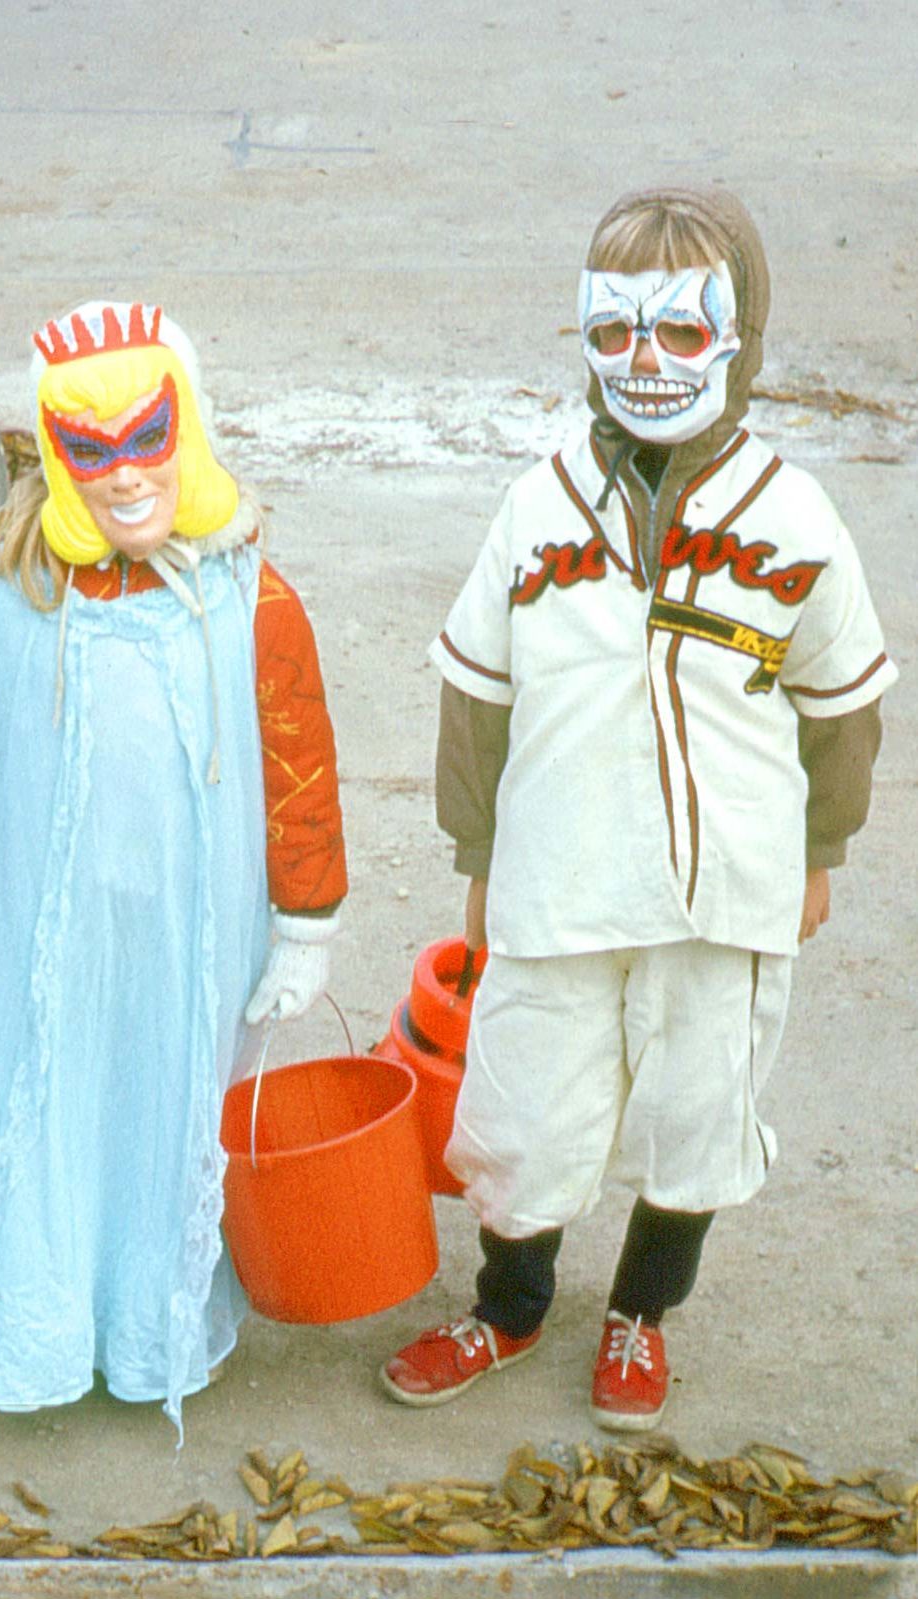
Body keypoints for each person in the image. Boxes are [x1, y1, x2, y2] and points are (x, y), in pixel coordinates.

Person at [378, 186, 896, 1432]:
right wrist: (481, 854)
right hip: (559, 875)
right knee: (525, 1110)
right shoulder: (538, 501)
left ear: (742, 336)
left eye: (679, 330)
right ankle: (509, 1306)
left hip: (729, 888)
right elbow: (476, 697)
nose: (646, 362)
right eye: (615, 333)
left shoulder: (793, 515)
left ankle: (641, 1314)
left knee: (697, 1112)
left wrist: (820, 850)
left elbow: (842, 706)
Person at [0, 301, 347, 1448]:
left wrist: (305, 920)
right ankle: (33, 1332)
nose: (122, 477)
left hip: (189, 934)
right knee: (38, 1110)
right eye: (88, 453)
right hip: (40, 930)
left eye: (147, 439)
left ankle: (152, 1326)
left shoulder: (248, 598)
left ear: (185, 434)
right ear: (51, 458)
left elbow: (297, 761)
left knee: (166, 1116)